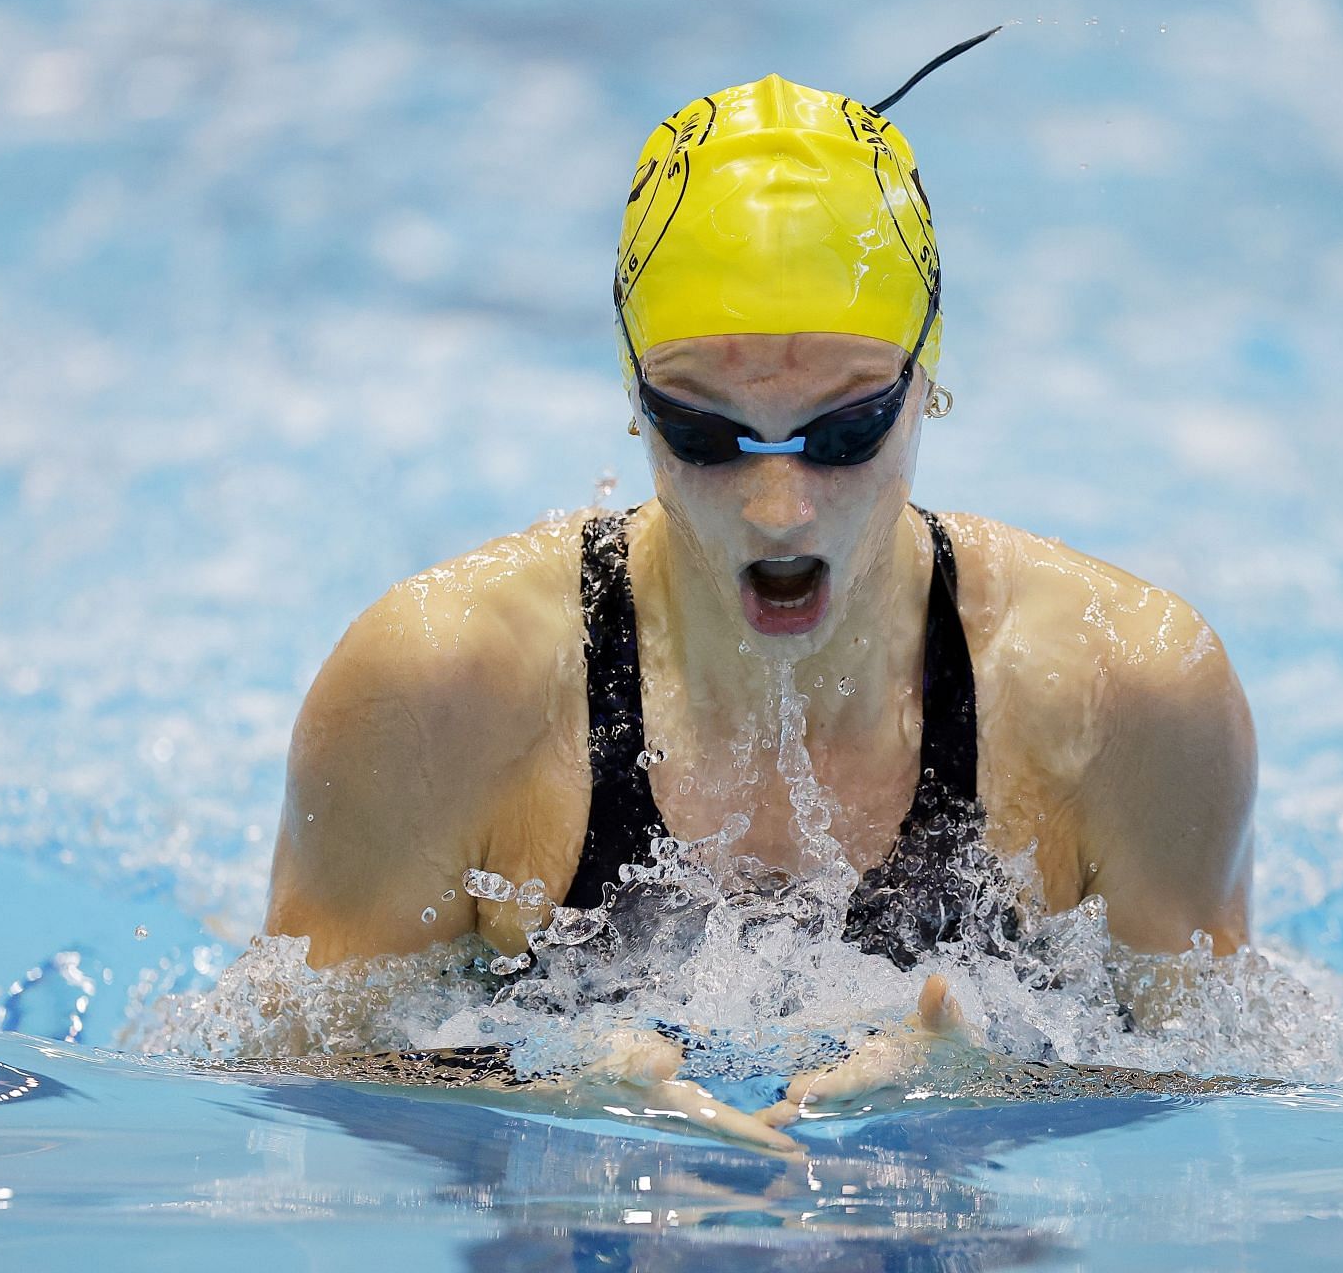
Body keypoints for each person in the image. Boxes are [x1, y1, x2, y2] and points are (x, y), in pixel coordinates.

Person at [262, 56, 1256, 1150]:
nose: (780, 507)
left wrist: (997, 1090)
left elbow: (1230, 1089)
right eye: (704, 430)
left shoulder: (1134, 696)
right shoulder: (434, 692)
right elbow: (280, 1071)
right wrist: (538, 1097)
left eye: (843, 433)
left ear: (929, 380)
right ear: (631, 395)